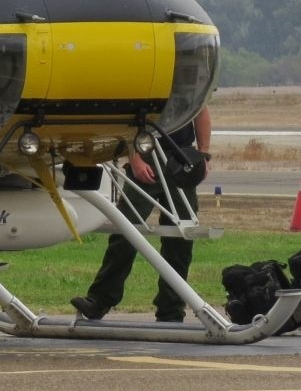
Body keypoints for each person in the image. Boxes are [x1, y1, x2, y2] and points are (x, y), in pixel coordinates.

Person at [71, 105, 213, 323]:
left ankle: (171, 310)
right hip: (146, 155)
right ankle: (100, 300)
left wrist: (203, 154)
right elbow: (129, 115)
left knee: (182, 239)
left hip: (181, 159)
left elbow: (200, 110)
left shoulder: (188, 82)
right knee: (125, 231)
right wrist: (135, 158)